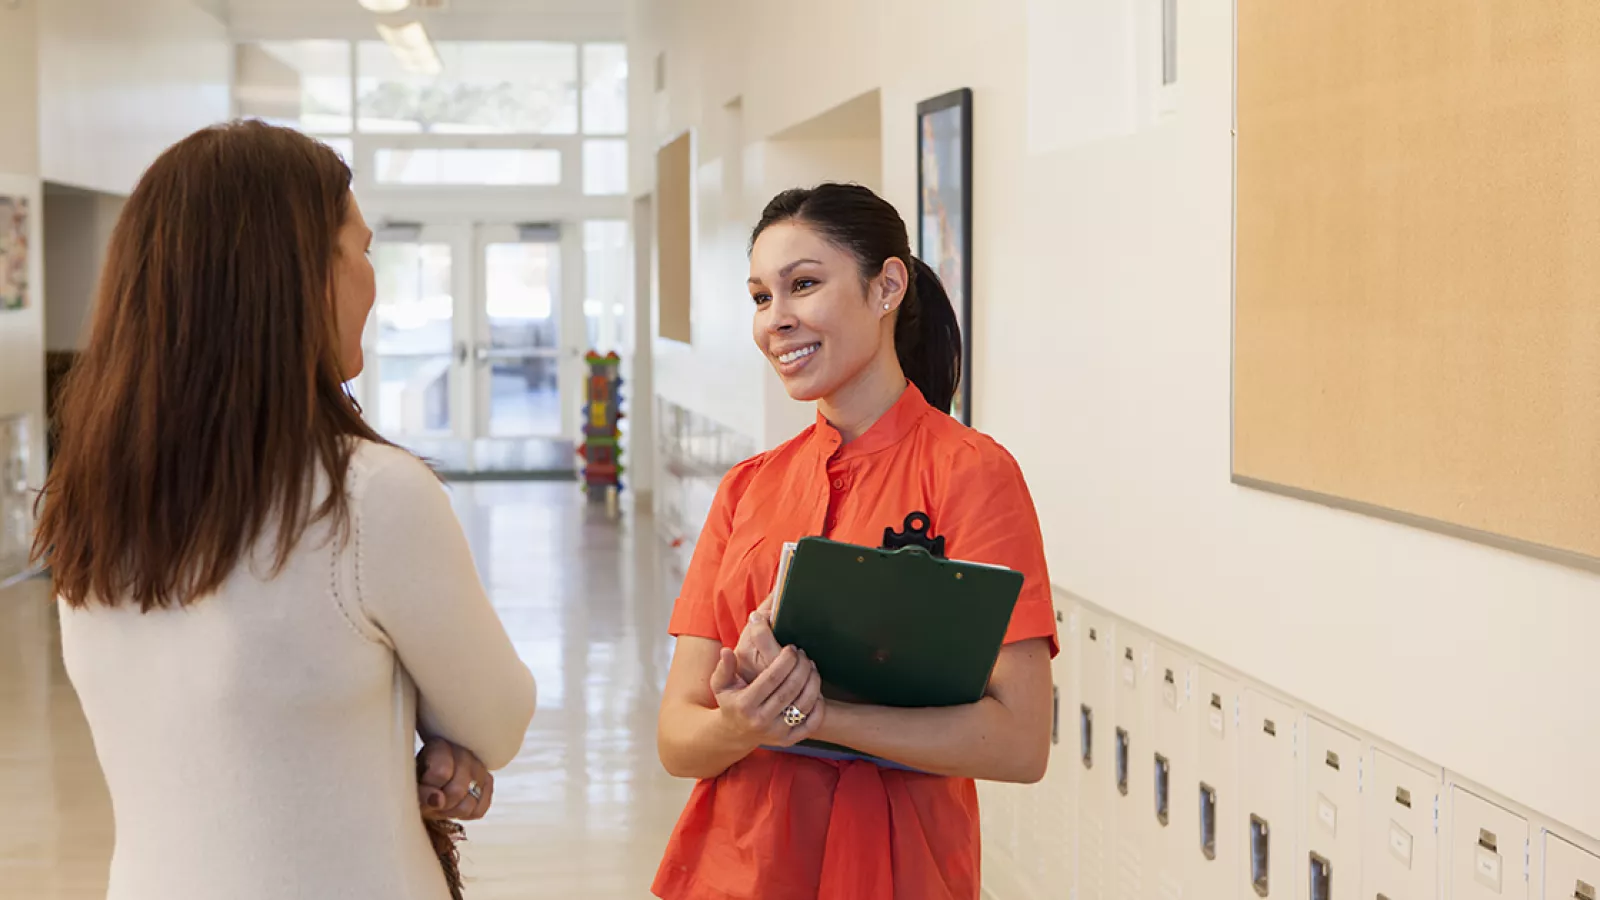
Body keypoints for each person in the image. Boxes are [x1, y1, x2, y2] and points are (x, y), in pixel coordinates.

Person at [30, 120, 537, 899]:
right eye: (362, 250)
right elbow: (497, 721)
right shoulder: (368, 495)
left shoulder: (90, 503)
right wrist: (442, 743)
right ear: (299, 275)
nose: (374, 281)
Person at [652, 182, 1058, 900]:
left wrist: (817, 717)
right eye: (759, 297)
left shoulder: (971, 475)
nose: (776, 320)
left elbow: (1021, 740)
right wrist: (743, 724)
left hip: (894, 875)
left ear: (887, 286)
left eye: (802, 285)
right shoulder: (748, 489)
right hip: (736, 873)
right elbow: (679, 736)